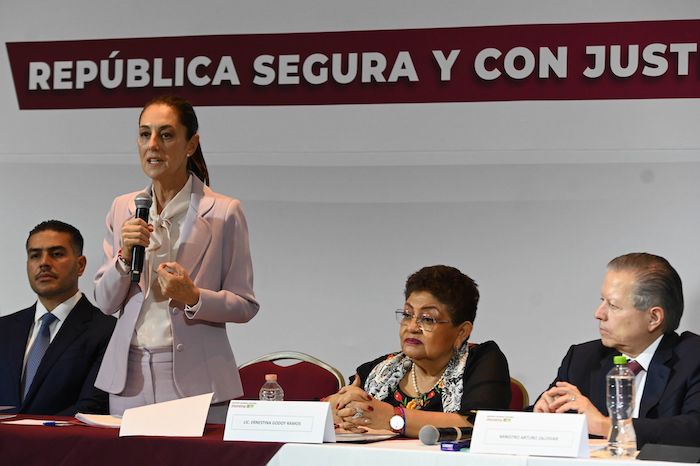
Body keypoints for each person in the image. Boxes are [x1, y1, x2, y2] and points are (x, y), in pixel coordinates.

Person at [93, 95, 259, 418]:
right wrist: (124, 259)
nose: (152, 144)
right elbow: (104, 301)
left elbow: (245, 304)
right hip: (130, 376)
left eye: (166, 135)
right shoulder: (123, 207)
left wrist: (194, 297)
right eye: (145, 134)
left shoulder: (224, 212)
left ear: (191, 144)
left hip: (197, 377)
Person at [533, 252, 700, 448]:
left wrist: (608, 426)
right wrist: (540, 418)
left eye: (613, 305)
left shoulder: (692, 358)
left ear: (654, 318)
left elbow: (693, 429)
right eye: (602, 300)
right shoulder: (582, 359)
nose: (598, 313)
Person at [329, 265, 511, 437]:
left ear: (462, 332)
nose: (412, 327)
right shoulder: (381, 372)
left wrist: (391, 417)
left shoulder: (482, 361)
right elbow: (327, 407)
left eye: (427, 319)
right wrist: (336, 412)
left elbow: (479, 424)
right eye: (407, 315)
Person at [0, 220, 115, 415]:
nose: (44, 263)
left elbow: (92, 407)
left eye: (56, 254)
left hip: (65, 444)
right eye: (35, 255)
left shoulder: (107, 330)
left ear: (80, 265)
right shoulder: (4, 329)